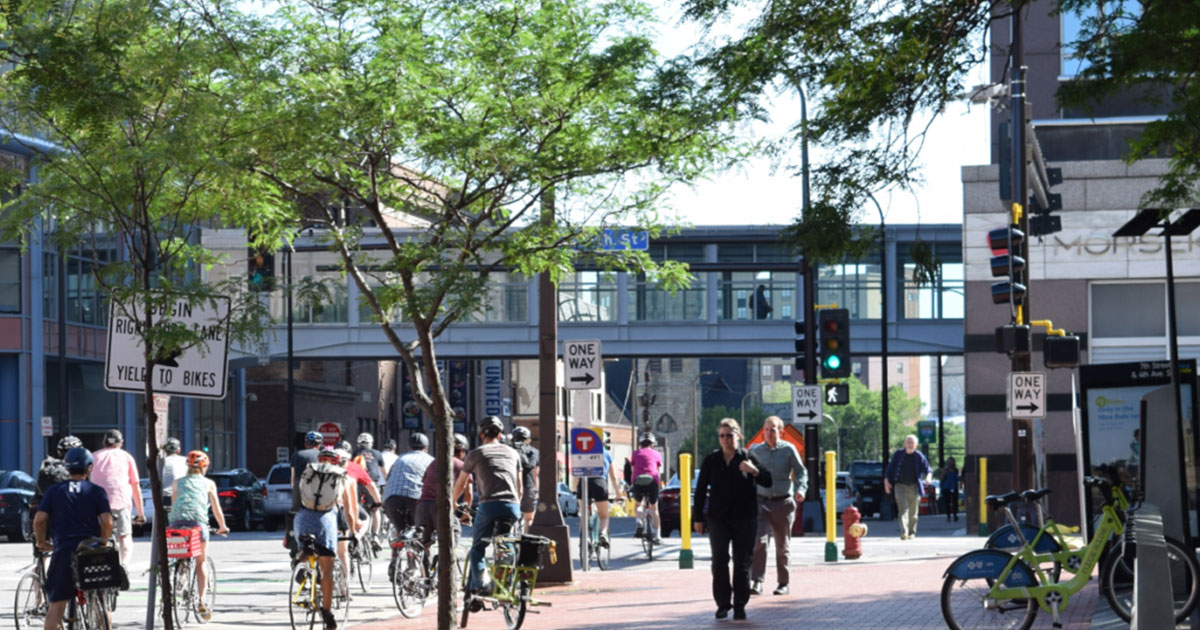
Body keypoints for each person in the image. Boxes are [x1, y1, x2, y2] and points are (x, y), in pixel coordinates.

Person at [693, 418, 772, 621]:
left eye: (729, 435)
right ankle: (722, 604)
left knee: (741, 562)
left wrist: (753, 471)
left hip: (744, 518)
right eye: (722, 435)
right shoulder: (712, 460)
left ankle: (739, 605)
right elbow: (701, 490)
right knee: (719, 560)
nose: (726, 439)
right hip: (718, 518)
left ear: (738, 436)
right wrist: (698, 518)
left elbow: (767, 479)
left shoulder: (748, 456)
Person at [34, 447, 114, 630]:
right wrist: (102, 541)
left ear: (67, 468)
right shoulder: (96, 491)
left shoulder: (54, 491)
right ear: (89, 468)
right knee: (101, 599)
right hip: (90, 549)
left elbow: (40, 519)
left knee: (57, 604)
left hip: (64, 550)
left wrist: (41, 542)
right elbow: (107, 521)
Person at [452, 416, 521, 597]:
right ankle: (505, 576)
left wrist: (452, 502)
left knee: (478, 548)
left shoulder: (476, 454)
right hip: (512, 505)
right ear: (500, 434)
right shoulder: (513, 453)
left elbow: (461, 483)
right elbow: (519, 487)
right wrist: (517, 506)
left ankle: (481, 584)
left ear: (481, 434)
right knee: (506, 541)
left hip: (489, 505)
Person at [295, 447, 357, 630]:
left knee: (307, 547)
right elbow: (349, 511)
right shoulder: (342, 477)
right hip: (325, 520)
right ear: (337, 462)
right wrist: (352, 532)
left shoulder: (309, 473)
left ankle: (301, 563)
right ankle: (327, 612)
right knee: (326, 568)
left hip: (303, 517)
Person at [749, 415, 808, 596]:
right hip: (761, 502)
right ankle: (757, 582)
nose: (769, 433)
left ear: (780, 431)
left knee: (782, 546)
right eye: (766, 429)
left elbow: (801, 472)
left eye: (773, 429)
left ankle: (783, 583)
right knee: (759, 542)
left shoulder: (789, 450)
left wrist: (801, 489)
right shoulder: (756, 451)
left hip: (783, 503)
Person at [167, 450, 230, 620]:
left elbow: (174, 507)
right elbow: (216, 509)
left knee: (182, 555)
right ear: (205, 467)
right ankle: (202, 601)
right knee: (201, 562)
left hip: (176, 525)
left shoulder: (177, 483)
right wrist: (222, 526)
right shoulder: (208, 483)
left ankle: (179, 583)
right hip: (197, 524)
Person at [90, 428, 145, 564]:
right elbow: (135, 486)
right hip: (121, 503)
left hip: (98, 505)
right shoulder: (127, 457)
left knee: (100, 538)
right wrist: (140, 513)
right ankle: (124, 566)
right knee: (125, 537)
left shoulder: (93, 457)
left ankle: (103, 565)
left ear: (104, 442)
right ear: (120, 443)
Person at [415, 433, 471, 547]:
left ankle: (420, 563)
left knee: (423, 544)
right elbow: (468, 493)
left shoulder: (434, 462)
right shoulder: (462, 465)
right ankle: (445, 563)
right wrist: (466, 514)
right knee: (452, 537)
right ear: (461, 451)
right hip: (441, 506)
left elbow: (424, 482)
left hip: (422, 505)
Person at [575, 431, 621, 546]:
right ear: (604, 443)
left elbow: (576, 475)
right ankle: (602, 534)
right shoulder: (607, 454)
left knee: (584, 515)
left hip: (583, 483)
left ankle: (583, 539)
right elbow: (614, 477)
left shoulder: (583, 453)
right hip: (599, 483)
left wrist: (575, 490)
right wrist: (618, 494)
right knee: (604, 515)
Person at [884, 434, 933, 540]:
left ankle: (912, 532)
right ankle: (904, 532)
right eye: (908, 442)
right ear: (905, 444)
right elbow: (890, 468)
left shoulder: (919, 456)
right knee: (903, 509)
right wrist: (886, 482)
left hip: (914, 486)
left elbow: (928, 469)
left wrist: (928, 478)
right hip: (900, 485)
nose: (910, 444)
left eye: (912, 443)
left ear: (916, 445)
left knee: (913, 512)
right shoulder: (898, 454)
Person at [382, 433, 433, 531]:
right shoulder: (430, 460)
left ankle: (398, 535)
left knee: (400, 528)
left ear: (409, 448)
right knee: (420, 529)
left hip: (391, 498)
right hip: (415, 498)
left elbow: (388, 478)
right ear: (426, 448)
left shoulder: (400, 458)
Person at [629, 433, 664, 543]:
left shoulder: (635, 453)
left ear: (640, 444)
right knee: (654, 508)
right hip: (652, 481)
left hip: (638, 481)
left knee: (638, 504)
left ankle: (639, 521)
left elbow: (633, 470)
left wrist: (632, 484)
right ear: (652, 444)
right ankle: (658, 536)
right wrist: (659, 484)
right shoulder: (657, 454)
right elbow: (658, 471)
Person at [510, 426, 540, 531]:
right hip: (528, 487)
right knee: (529, 519)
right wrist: (536, 491)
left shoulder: (509, 450)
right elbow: (535, 473)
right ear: (528, 439)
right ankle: (526, 542)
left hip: (510, 487)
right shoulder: (534, 452)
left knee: (509, 518)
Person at [160, 437, 188, 509]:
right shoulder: (185, 461)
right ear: (178, 450)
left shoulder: (160, 462)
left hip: (164, 497)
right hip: (182, 496)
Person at [943, 457, 960, 522]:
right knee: (947, 503)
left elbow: (957, 478)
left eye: (951, 461)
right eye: (949, 461)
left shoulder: (955, 470)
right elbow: (942, 478)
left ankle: (955, 515)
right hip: (946, 488)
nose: (950, 463)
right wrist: (944, 473)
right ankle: (948, 516)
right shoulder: (945, 470)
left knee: (955, 502)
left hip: (954, 487)